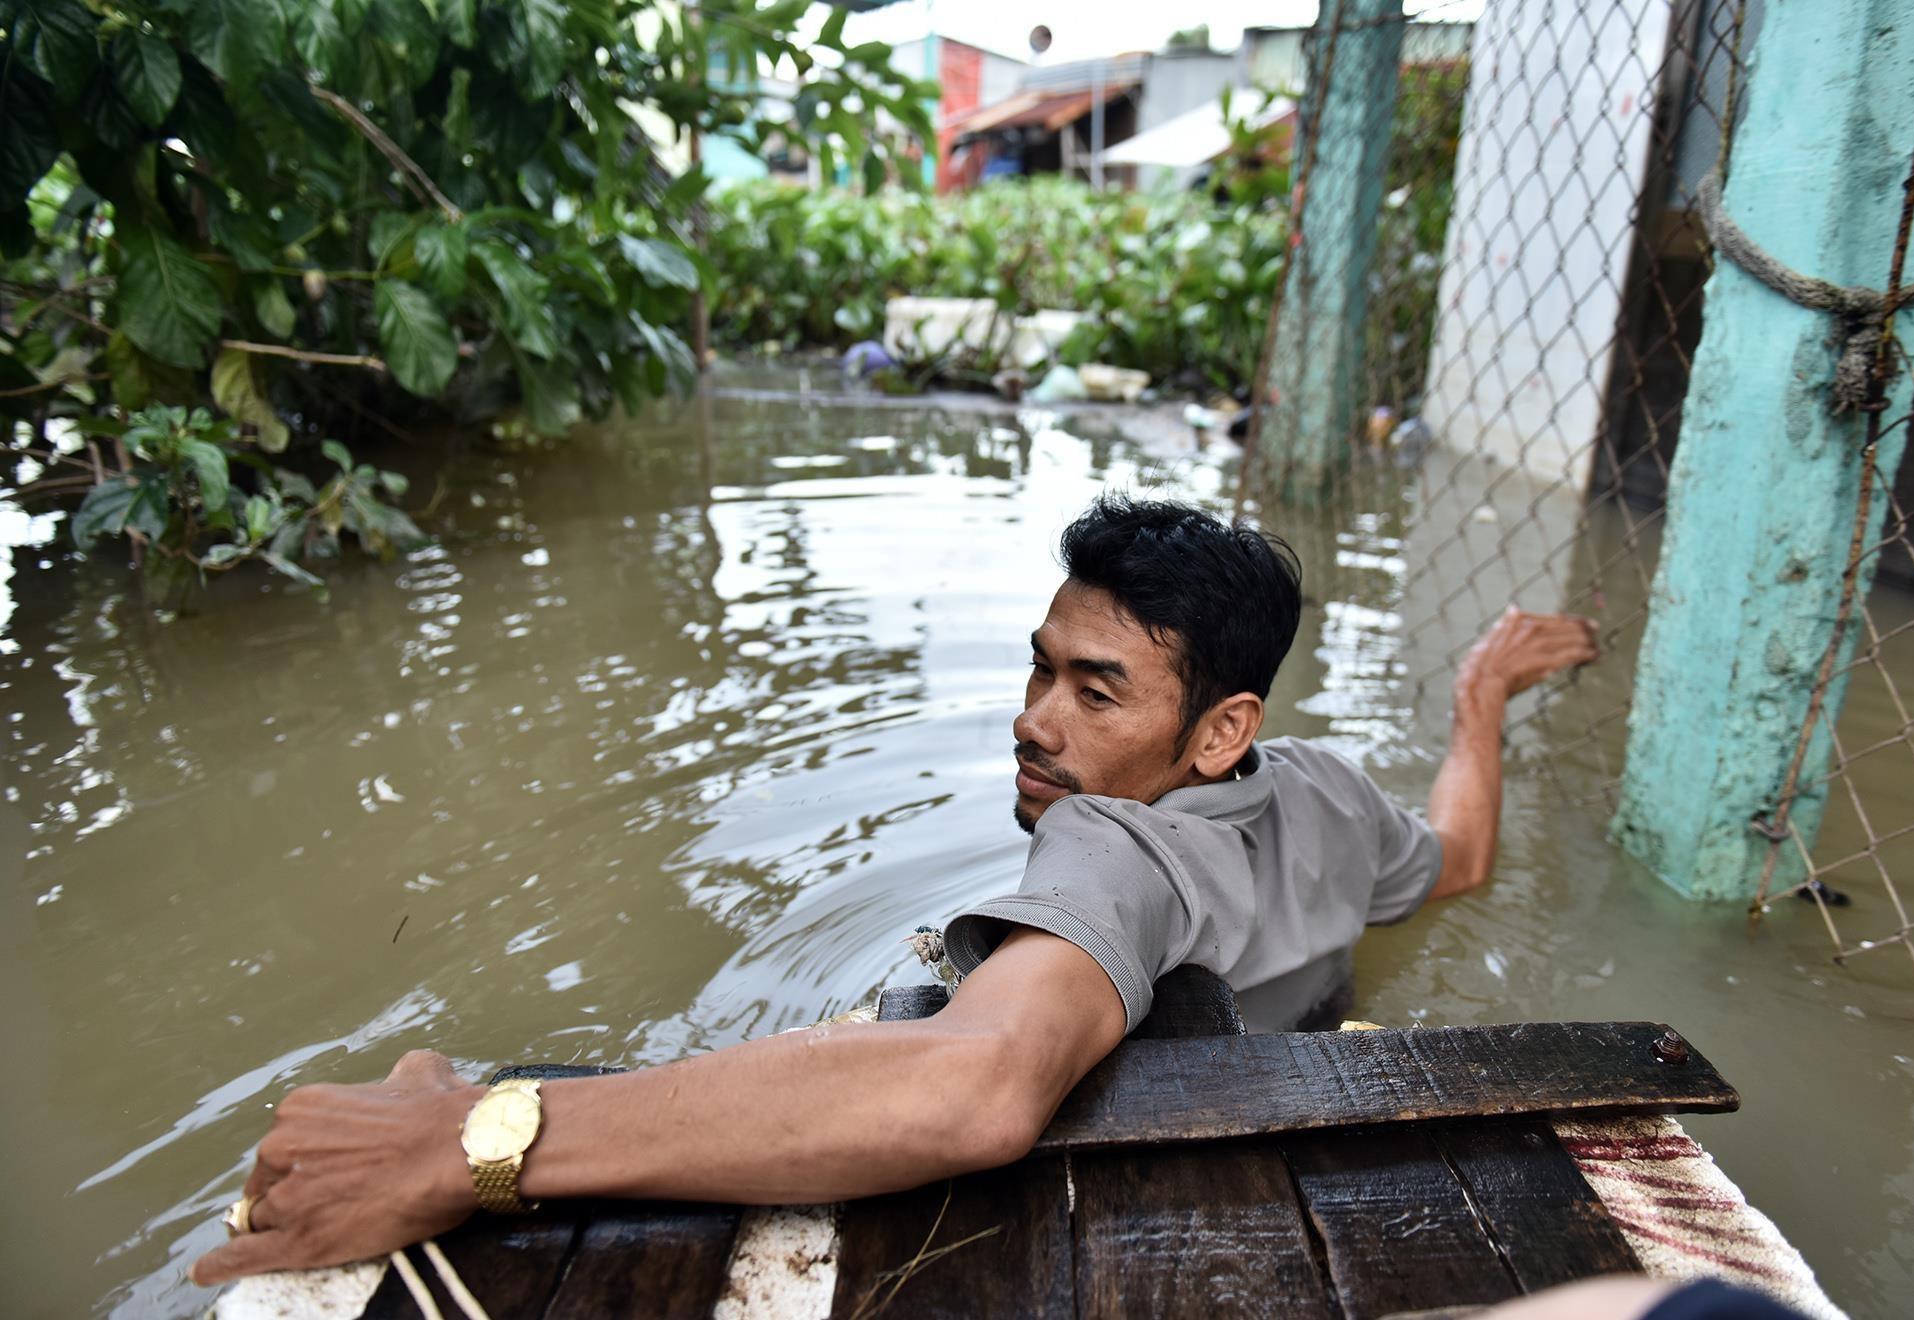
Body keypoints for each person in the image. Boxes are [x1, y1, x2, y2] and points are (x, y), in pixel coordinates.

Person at [191, 496, 1598, 1286]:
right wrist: (1481, 699)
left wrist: (476, 1135)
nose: (1033, 721)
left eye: (1095, 690)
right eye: (1040, 665)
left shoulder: (1113, 846)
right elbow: (1461, 861)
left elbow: (970, 1088)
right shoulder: (1332, 790)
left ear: (1221, 729)